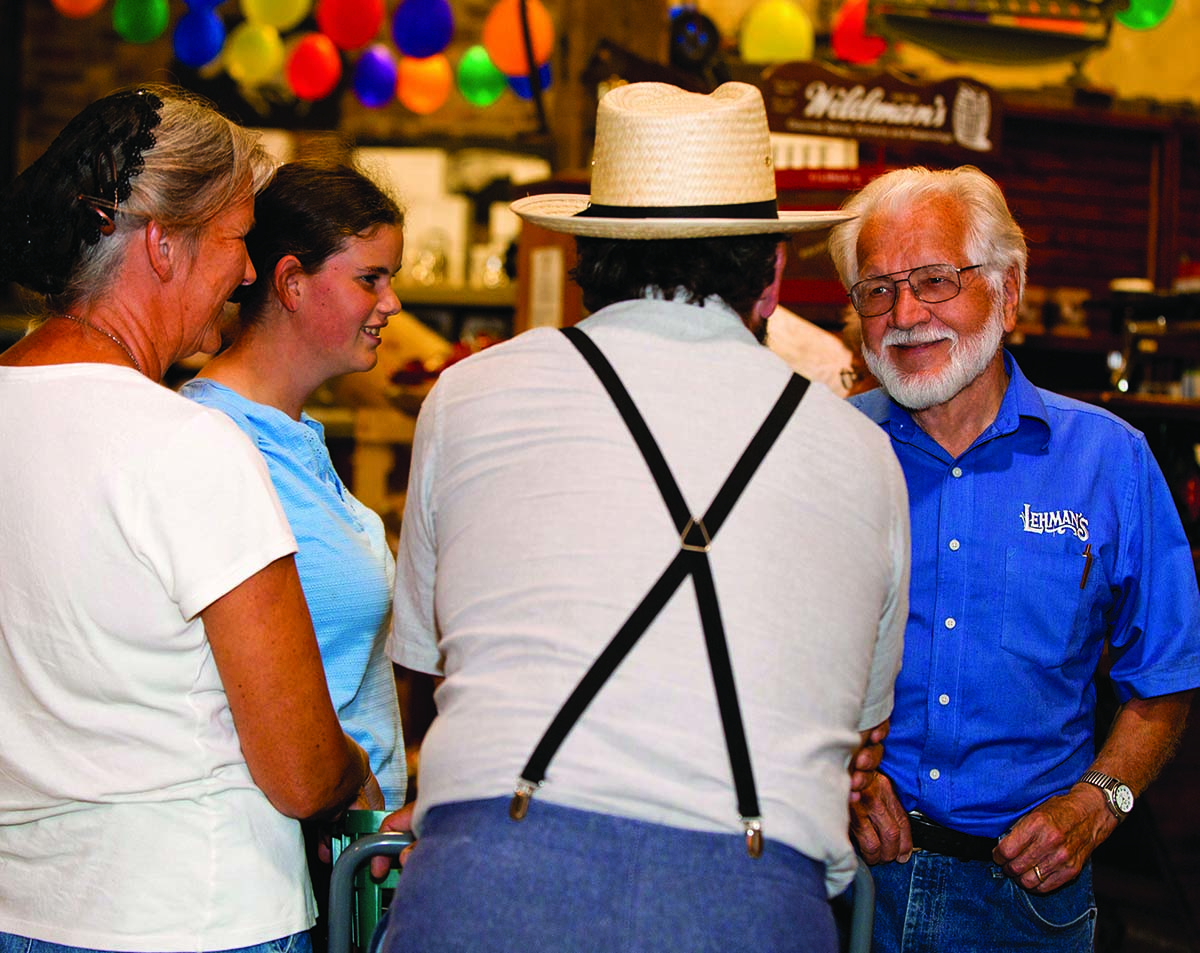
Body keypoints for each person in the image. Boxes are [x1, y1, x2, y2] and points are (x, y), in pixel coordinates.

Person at [377, 81, 910, 953]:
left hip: (484, 882)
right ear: (772, 277)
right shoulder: (863, 455)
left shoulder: (468, 396)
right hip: (749, 901)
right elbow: (859, 729)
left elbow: (432, 672)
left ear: (588, 253)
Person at [0, 86, 376, 953]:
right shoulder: (184, 444)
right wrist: (352, 772)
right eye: (238, 240)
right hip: (192, 911)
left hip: (25, 906)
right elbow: (297, 766)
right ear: (164, 244)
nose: (248, 273)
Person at [829, 164, 1200, 952]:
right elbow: (763, 659)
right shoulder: (825, 450)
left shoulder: (1111, 462)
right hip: (847, 882)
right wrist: (839, 775)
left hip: (1031, 903)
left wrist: (1100, 802)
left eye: (934, 280)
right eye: (877, 289)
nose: (904, 314)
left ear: (1009, 290)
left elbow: (1166, 676)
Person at [181, 160, 408, 809]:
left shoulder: (295, 435)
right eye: (371, 279)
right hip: (295, 839)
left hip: (351, 847)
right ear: (291, 282)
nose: (390, 303)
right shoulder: (216, 438)